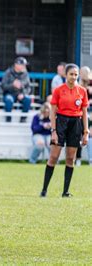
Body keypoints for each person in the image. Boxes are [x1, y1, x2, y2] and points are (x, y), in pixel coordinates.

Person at [40, 64, 89, 198]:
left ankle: (65, 192)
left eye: (76, 74)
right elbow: (53, 112)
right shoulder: (58, 90)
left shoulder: (82, 91)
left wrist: (85, 132)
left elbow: (84, 113)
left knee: (70, 158)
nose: (73, 77)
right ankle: (44, 190)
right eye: (71, 74)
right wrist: (54, 130)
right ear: (66, 75)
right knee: (53, 157)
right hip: (61, 122)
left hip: (76, 123)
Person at [2, 57, 32, 123]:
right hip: (9, 93)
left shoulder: (25, 73)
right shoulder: (8, 72)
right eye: (23, 65)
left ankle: (23, 119)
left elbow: (28, 88)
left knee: (27, 99)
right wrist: (12, 85)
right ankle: (8, 119)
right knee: (8, 99)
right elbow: (3, 86)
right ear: (16, 65)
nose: (24, 66)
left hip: (20, 94)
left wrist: (23, 94)